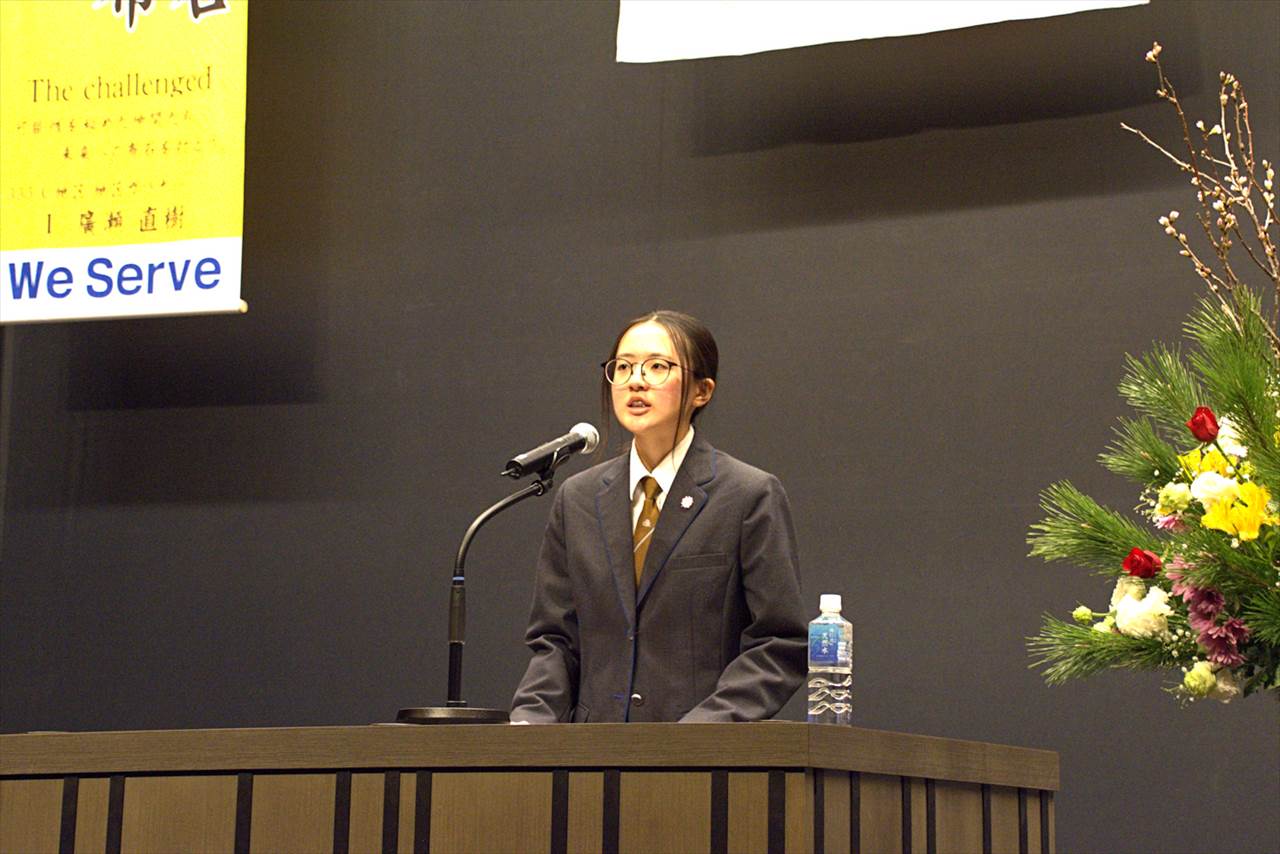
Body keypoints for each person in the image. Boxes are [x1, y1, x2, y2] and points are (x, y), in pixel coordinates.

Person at [510, 310, 807, 723]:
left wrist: (697, 734)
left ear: (701, 391)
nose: (636, 381)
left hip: (698, 751)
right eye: (624, 367)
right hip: (592, 752)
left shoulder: (747, 495)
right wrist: (529, 723)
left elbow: (779, 642)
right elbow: (556, 641)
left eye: (657, 367)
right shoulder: (578, 499)